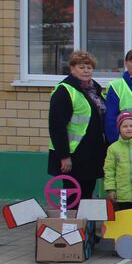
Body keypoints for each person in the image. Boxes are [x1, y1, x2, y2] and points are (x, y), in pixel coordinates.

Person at [48, 50, 108, 199]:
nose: (86, 71)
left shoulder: (95, 90)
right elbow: (57, 126)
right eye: (81, 67)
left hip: (91, 155)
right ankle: (73, 223)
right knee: (73, 197)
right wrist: (64, 156)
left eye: (89, 67)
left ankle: (85, 222)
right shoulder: (64, 91)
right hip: (73, 156)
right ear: (72, 68)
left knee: (87, 194)